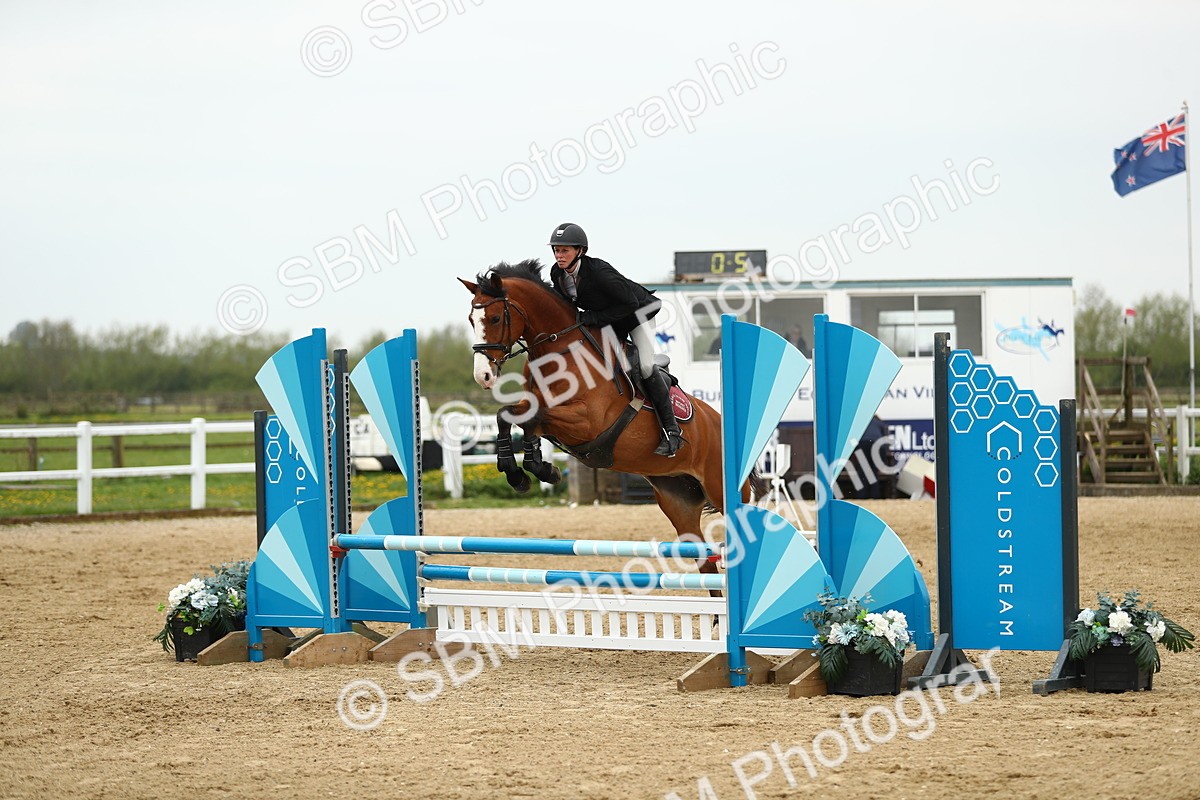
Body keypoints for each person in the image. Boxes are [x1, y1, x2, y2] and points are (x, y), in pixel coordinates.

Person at [546, 222, 683, 457]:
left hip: (638, 314)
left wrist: (592, 317)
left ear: (580, 251)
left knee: (645, 366)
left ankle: (672, 431)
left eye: (565, 250)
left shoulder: (599, 272)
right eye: (556, 250)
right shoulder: (557, 274)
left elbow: (630, 304)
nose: (559, 255)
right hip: (610, 321)